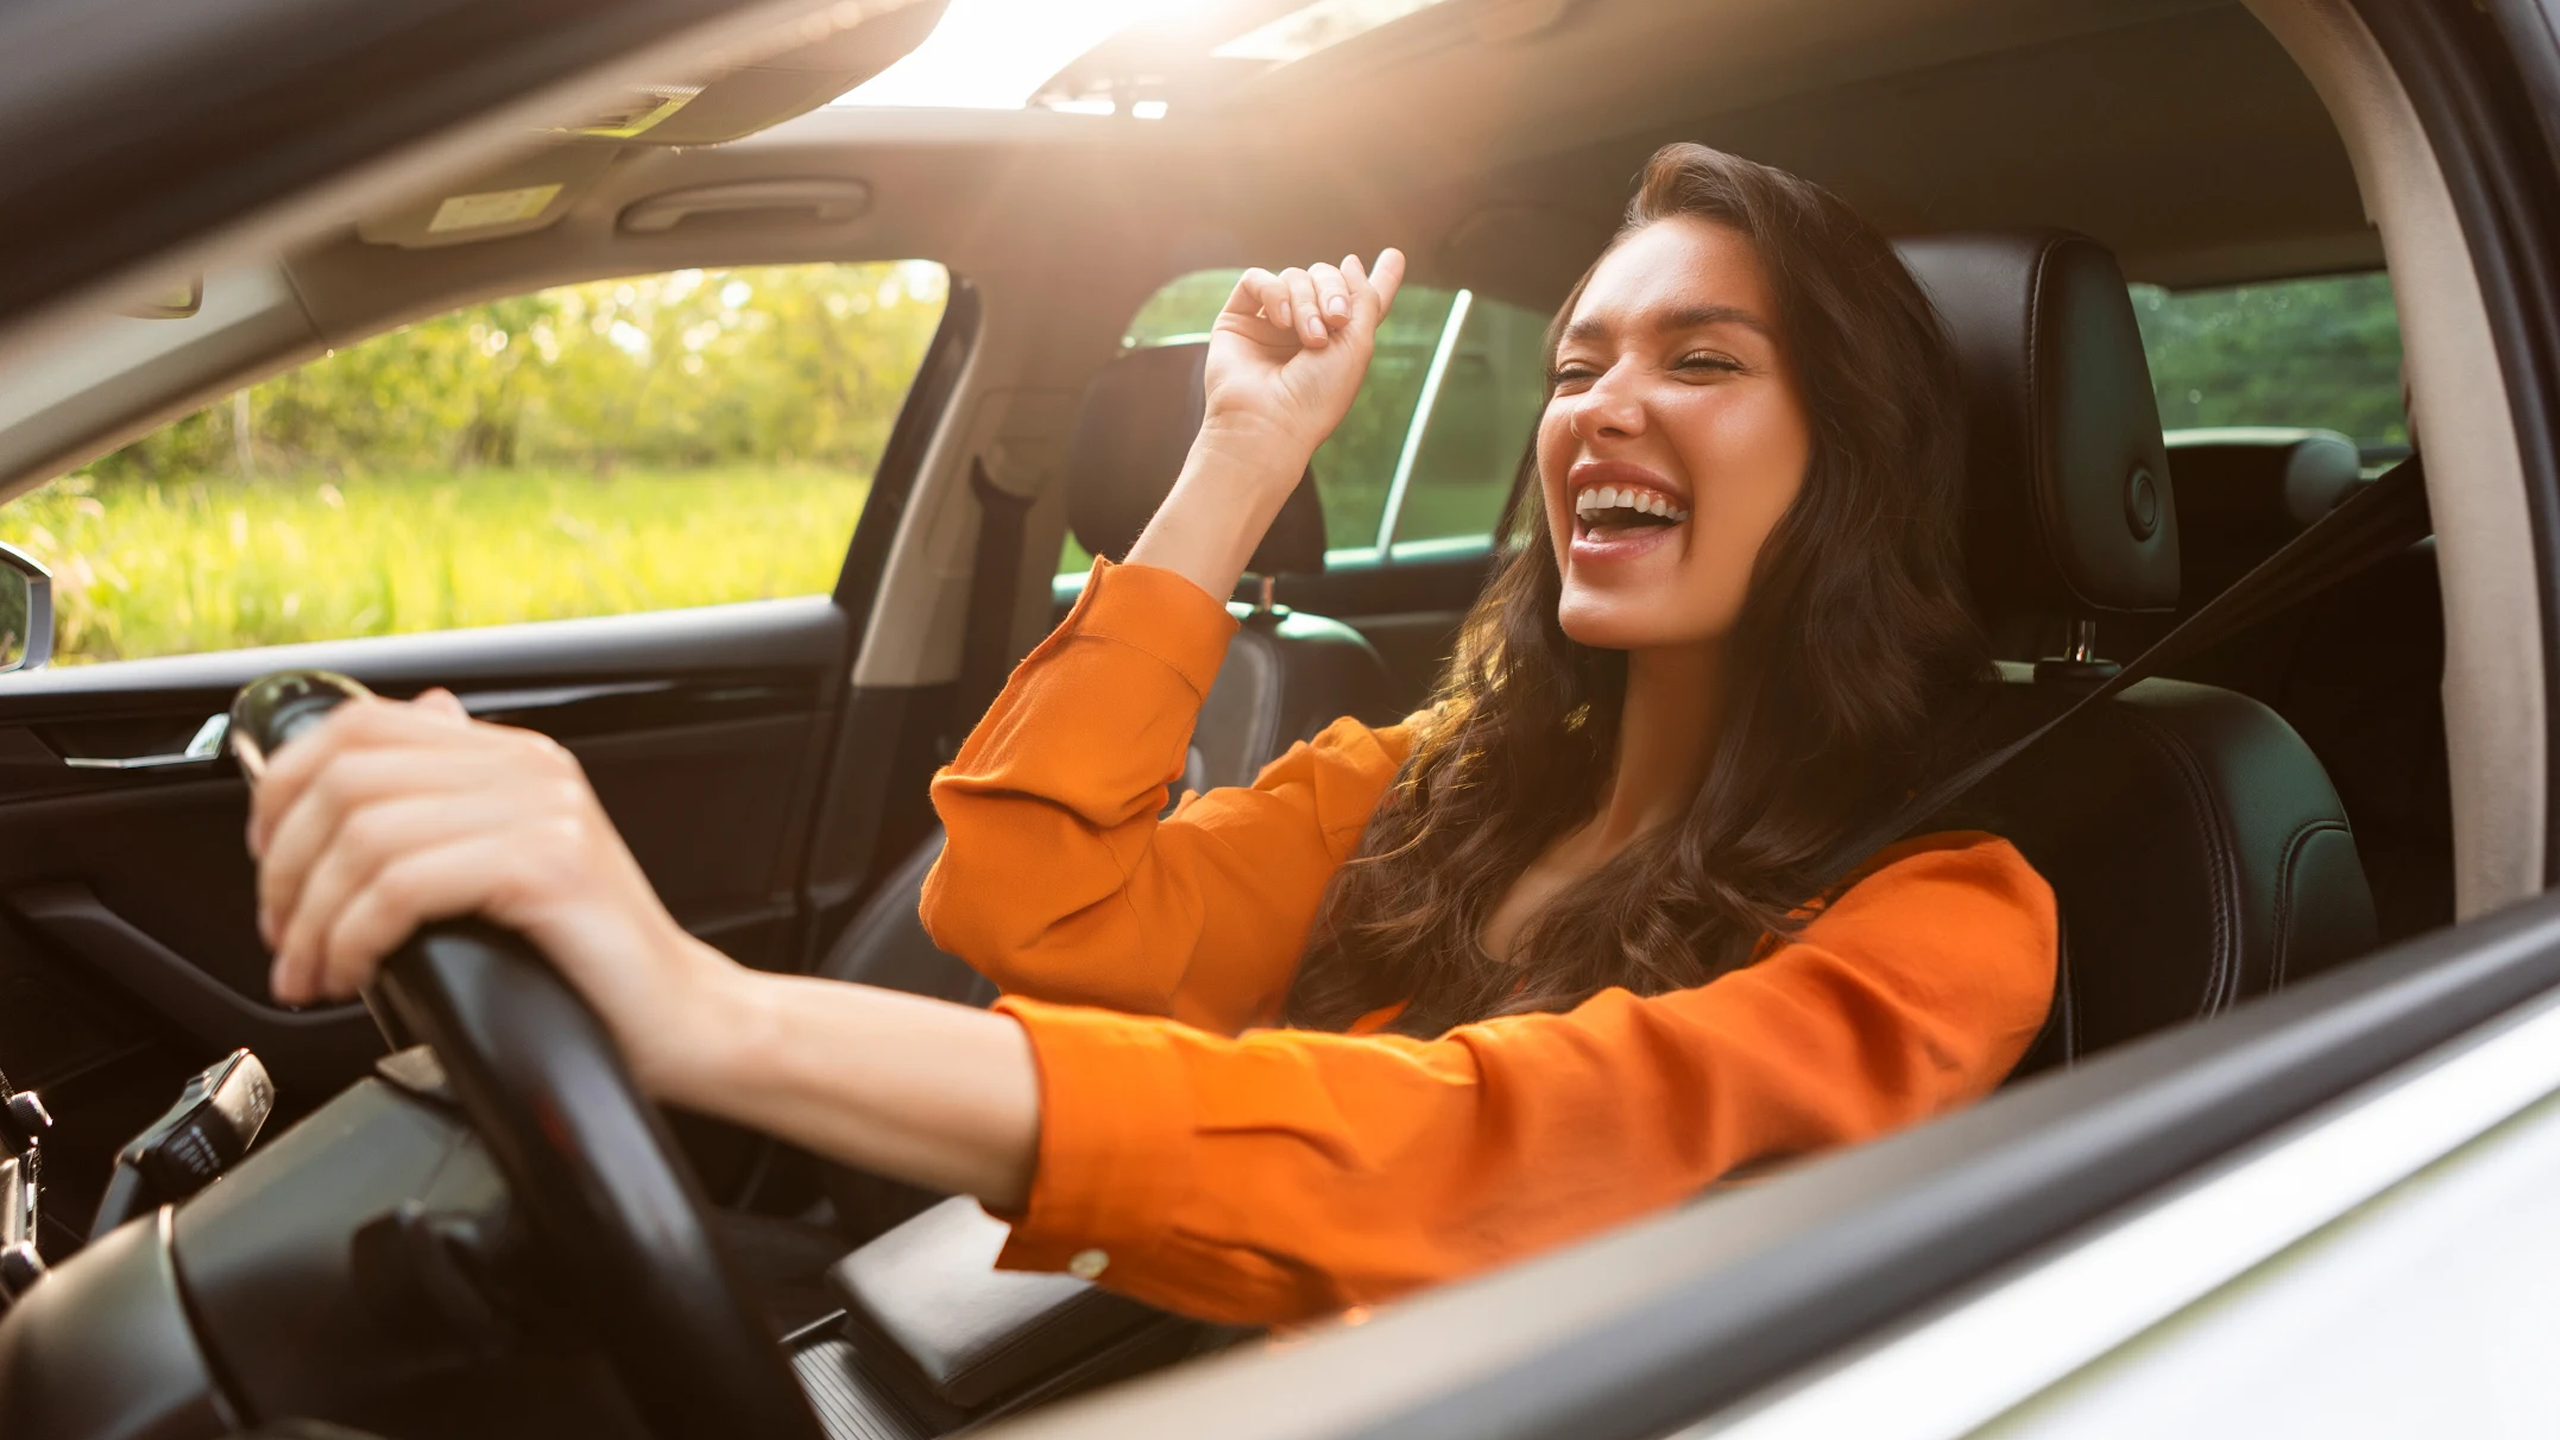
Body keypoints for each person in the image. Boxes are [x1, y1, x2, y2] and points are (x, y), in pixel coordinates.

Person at [247, 144, 2057, 1327]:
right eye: (1578, 366)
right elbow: (1026, 903)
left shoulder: (1947, 923)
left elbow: (1474, 1158)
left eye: (1705, 361)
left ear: (1854, 461)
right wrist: (1245, 454)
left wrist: (703, 1011)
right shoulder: (1434, 779)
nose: (1600, 412)